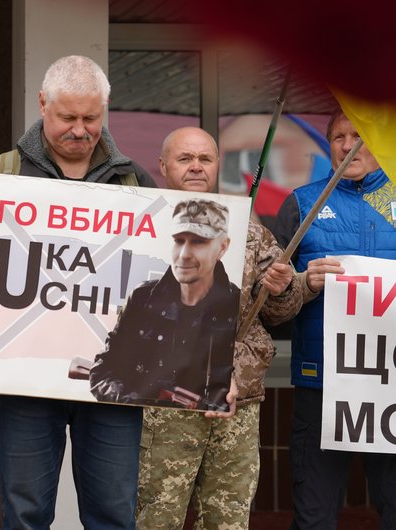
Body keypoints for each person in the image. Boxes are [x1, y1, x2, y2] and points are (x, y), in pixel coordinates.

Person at [0, 54, 157, 530]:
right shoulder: (2, 175)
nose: (80, 130)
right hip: (26, 379)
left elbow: (159, 285)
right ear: (43, 105)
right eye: (68, 117)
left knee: (114, 516)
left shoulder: (134, 182)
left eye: (91, 118)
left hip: (111, 386)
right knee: (24, 515)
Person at [111, 126, 300, 529]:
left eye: (205, 159)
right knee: (155, 520)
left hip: (236, 407)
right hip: (163, 407)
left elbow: (278, 312)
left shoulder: (249, 232)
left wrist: (284, 287)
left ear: (217, 165)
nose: (196, 166)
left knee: (227, 522)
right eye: (185, 158)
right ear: (162, 166)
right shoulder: (141, 229)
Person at [273, 109, 396, 529]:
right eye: (338, 137)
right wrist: (302, 283)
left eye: (358, 136)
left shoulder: (394, 198)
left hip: (389, 387)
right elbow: (269, 297)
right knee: (314, 514)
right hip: (320, 385)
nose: (347, 146)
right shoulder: (303, 203)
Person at [91, 196, 240, 410]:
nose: (184, 254)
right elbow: (104, 370)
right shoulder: (143, 298)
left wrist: (235, 384)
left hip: (205, 424)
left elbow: (254, 358)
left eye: (198, 241)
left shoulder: (235, 304)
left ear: (222, 247)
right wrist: (129, 400)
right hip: (139, 422)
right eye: (179, 241)